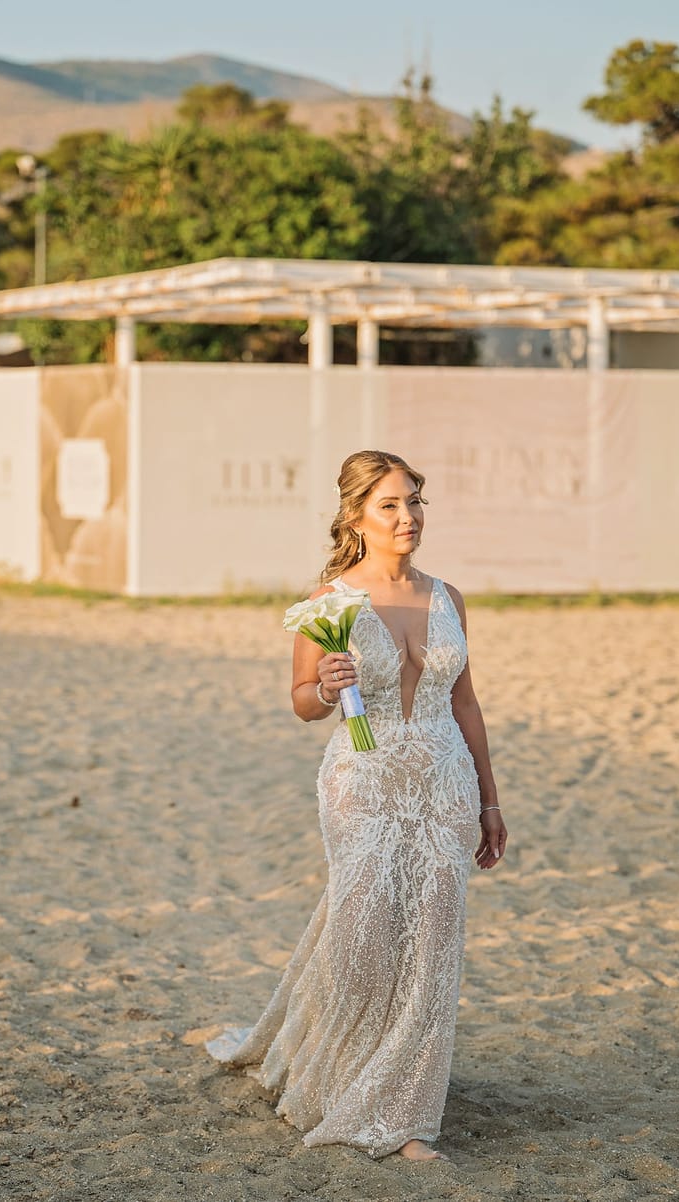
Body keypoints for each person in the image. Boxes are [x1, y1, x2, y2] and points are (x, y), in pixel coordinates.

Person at [206, 449, 507, 1162]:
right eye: (391, 506)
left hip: (444, 783)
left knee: (432, 943)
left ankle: (401, 1111)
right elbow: (304, 704)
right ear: (357, 517)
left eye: (415, 502)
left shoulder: (447, 597)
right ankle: (337, 1074)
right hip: (362, 784)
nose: (409, 518)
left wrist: (491, 801)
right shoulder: (329, 602)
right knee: (364, 937)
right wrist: (326, 682)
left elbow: (464, 700)